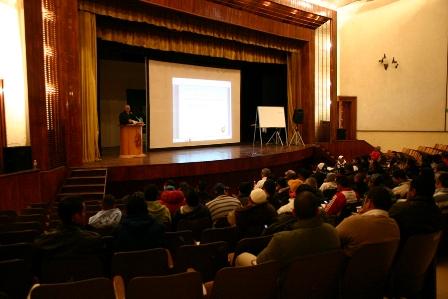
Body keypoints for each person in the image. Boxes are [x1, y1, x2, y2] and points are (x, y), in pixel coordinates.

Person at [235, 187, 340, 266]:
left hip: (287, 286)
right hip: (324, 283)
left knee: (241, 257)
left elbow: (260, 263)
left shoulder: (281, 239)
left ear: (294, 213)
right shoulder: (332, 231)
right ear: (318, 210)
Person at [336, 186, 400, 256]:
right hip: (382, 266)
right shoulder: (394, 226)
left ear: (369, 202)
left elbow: (332, 239)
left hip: (349, 265)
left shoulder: (353, 222)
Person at [34, 196, 103, 259]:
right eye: (83, 212)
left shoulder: (42, 242)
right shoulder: (93, 239)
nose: (85, 215)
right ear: (76, 216)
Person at [389, 175, 443, 245]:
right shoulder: (437, 211)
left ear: (413, 191)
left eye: (409, 189)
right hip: (428, 252)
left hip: (401, 251)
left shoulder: (399, 209)